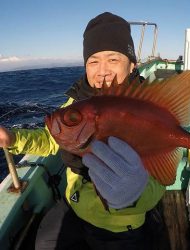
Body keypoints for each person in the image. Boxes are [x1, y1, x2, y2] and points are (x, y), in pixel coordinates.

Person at [0, 12, 166, 250]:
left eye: (113, 59)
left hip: (122, 225)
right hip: (75, 205)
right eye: (93, 61)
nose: (102, 71)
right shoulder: (78, 105)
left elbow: (161, 180)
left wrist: (133, 195)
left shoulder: (150, 110)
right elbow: (51, 139)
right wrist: (13, 138)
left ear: (132, 65)